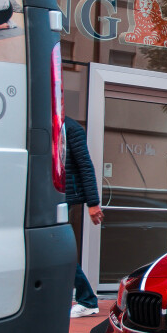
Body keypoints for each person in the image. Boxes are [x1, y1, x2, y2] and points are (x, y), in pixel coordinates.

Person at [64, 119, 105, 318]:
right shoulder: (40, 124)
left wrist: (93, 203)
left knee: (59, 249)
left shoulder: (71, 128)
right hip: (45, 195)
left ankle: (87, 300)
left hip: (62, 197)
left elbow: (85, 165)